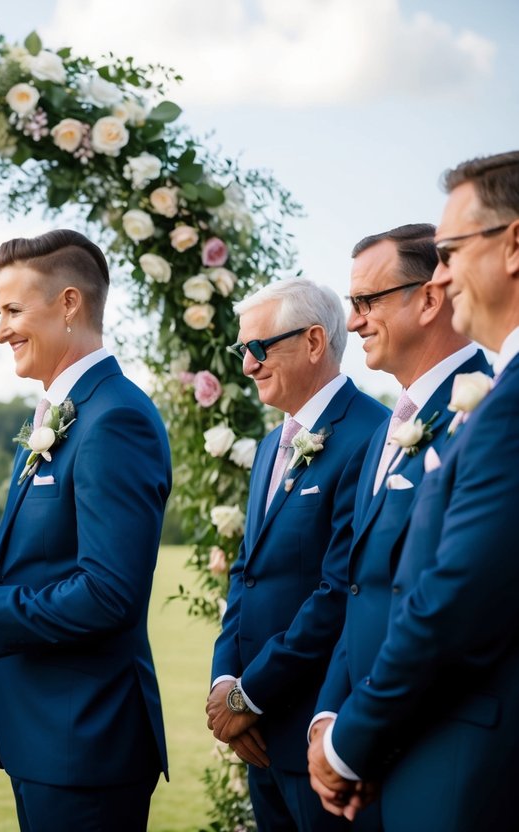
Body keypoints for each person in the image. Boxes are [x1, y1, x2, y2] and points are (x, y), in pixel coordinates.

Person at [0, 230, 170, 831]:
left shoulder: (114, 419)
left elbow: (107, 593)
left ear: (69, 303)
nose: (0, 332)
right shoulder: (60, 412)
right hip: (48, 738)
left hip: (87, 741)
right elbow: (45, 564)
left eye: (13, 311)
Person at [310, 150, 519, 829]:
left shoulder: (503, 405)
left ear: (512, 244)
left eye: (452, 250)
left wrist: (349, 740)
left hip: (462, 758)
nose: (443, 269)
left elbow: (455, 594)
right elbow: (364, 583)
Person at [206, 277, 387, 832]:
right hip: (258, 736)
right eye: (242, 350)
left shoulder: (370, 436)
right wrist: (223, 682)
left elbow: (338, 591)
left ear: (313, 342)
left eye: (258, 348)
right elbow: (247, 572)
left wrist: (248, 696)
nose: (248, 365)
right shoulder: (270, 444)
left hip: (318, 733)